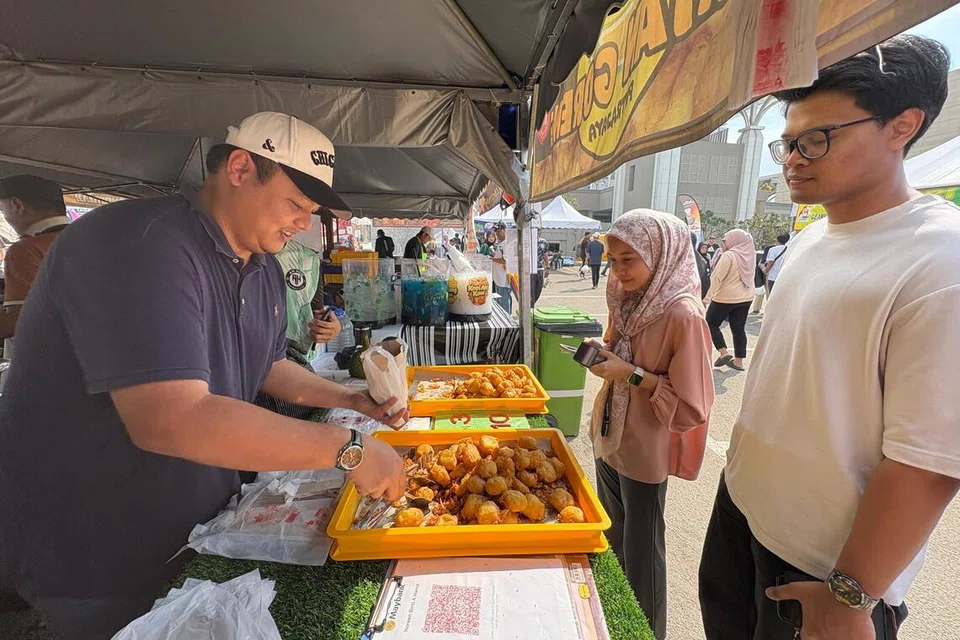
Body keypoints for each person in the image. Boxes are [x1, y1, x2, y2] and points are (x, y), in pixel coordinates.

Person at [0, 112, 409, 639]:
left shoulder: (259, 264)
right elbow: (171, 419)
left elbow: (265, 365)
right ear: (239, 168)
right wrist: (346, 447)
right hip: (99, 545)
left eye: (310, 211)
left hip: (197, 530)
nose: (302, 223)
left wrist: (352, 400)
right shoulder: (138, 243)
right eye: (294, 203)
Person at [699, 35, 960, 640]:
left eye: (817, 139)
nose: (792, 158)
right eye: (787, 141)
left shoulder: (940, 260)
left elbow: (931, 461)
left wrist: (850, 596)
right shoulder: (812, 238)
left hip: (824, 569)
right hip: (744, 513)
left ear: (903, 126)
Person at [587, 209, 714, 640]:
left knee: (643, 556)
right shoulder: (623, 296)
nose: (619, 271)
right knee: (613, 539)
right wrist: (601, 352)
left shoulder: (684, 315)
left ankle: (644, 632)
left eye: (629, 259)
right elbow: (615, 346)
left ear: (660, 254)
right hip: (608, 435)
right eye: (613, 259)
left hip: (644, 450)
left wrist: (632, 375)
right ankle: (613, 622)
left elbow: (692, 408)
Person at [253, 238, 342, 424]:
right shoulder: (242, 257)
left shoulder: (307, 259)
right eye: (296, 206)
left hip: (295, 366)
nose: (305, 223)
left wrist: (332, 327)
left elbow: (318, 312)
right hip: (257, 373)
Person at [0, 175, 71, 345]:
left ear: (17, 205)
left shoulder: (26, 249)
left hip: (46, 359)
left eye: (2, 209)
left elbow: (20, 319)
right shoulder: (92, 239)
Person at [704, 229, 755, 371]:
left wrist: (706, 299)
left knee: (711, 324)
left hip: (725, 298)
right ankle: (739, 362)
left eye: (726, 240)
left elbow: (717, 278)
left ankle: (723, 352)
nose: (723, 243)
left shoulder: (729, 256)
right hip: (745, 298)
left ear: (734, 240)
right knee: (738, 329)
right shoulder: (750, 255)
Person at [491, 222, 511, 313]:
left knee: (504, 301)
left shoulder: (506, 243)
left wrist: (492, 259)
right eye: (496, 232)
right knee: (500, 301)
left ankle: (507, 320)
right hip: (499, 278)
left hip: (503, 279)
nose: (497, 234)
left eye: (498, 232)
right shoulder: (501, 243)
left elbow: (505, 260)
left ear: (504, 230)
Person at [693, 235, 711, 300]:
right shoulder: (697, 257)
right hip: (699, 279)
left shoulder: (707, 257)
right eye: (702, 248)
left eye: (706, 248)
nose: (704, 249)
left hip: (706, 280)